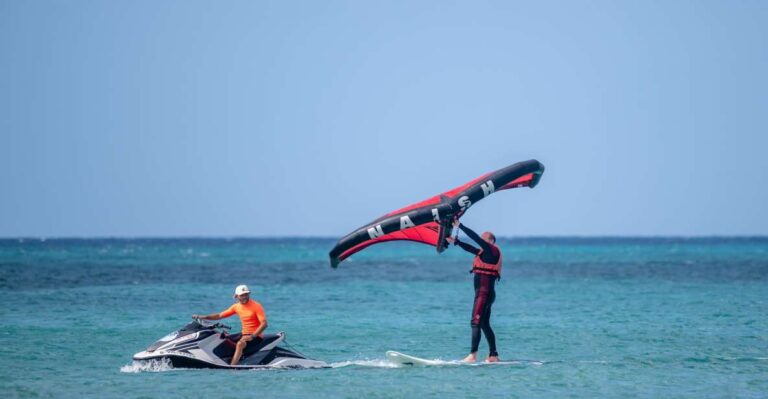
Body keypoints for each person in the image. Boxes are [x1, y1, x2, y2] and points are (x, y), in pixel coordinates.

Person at [446, 220, 501, 363]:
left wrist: (460, 226)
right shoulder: (485, 253)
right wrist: (455, 242)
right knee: (484, 323)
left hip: (484, 293)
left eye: (484, 239)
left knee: (475, 322)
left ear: (491, 241)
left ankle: (472, 355)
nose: (481, 241)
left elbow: (475, 239)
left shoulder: (492, 250)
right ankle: (493, 355)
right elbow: (472, 249)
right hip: (486, 293)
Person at [192, 284, 268, 366]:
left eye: (246, 294)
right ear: (237, 296)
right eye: (242, 295)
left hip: (256, 336)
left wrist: (253, 336)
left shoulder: (256, 306)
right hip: (244, 333)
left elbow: (264, 324)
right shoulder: (236, 307)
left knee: (240, 344)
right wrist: (203, 317)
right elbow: (220, 315)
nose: (245, 297)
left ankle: (232, 366)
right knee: (222, 338)